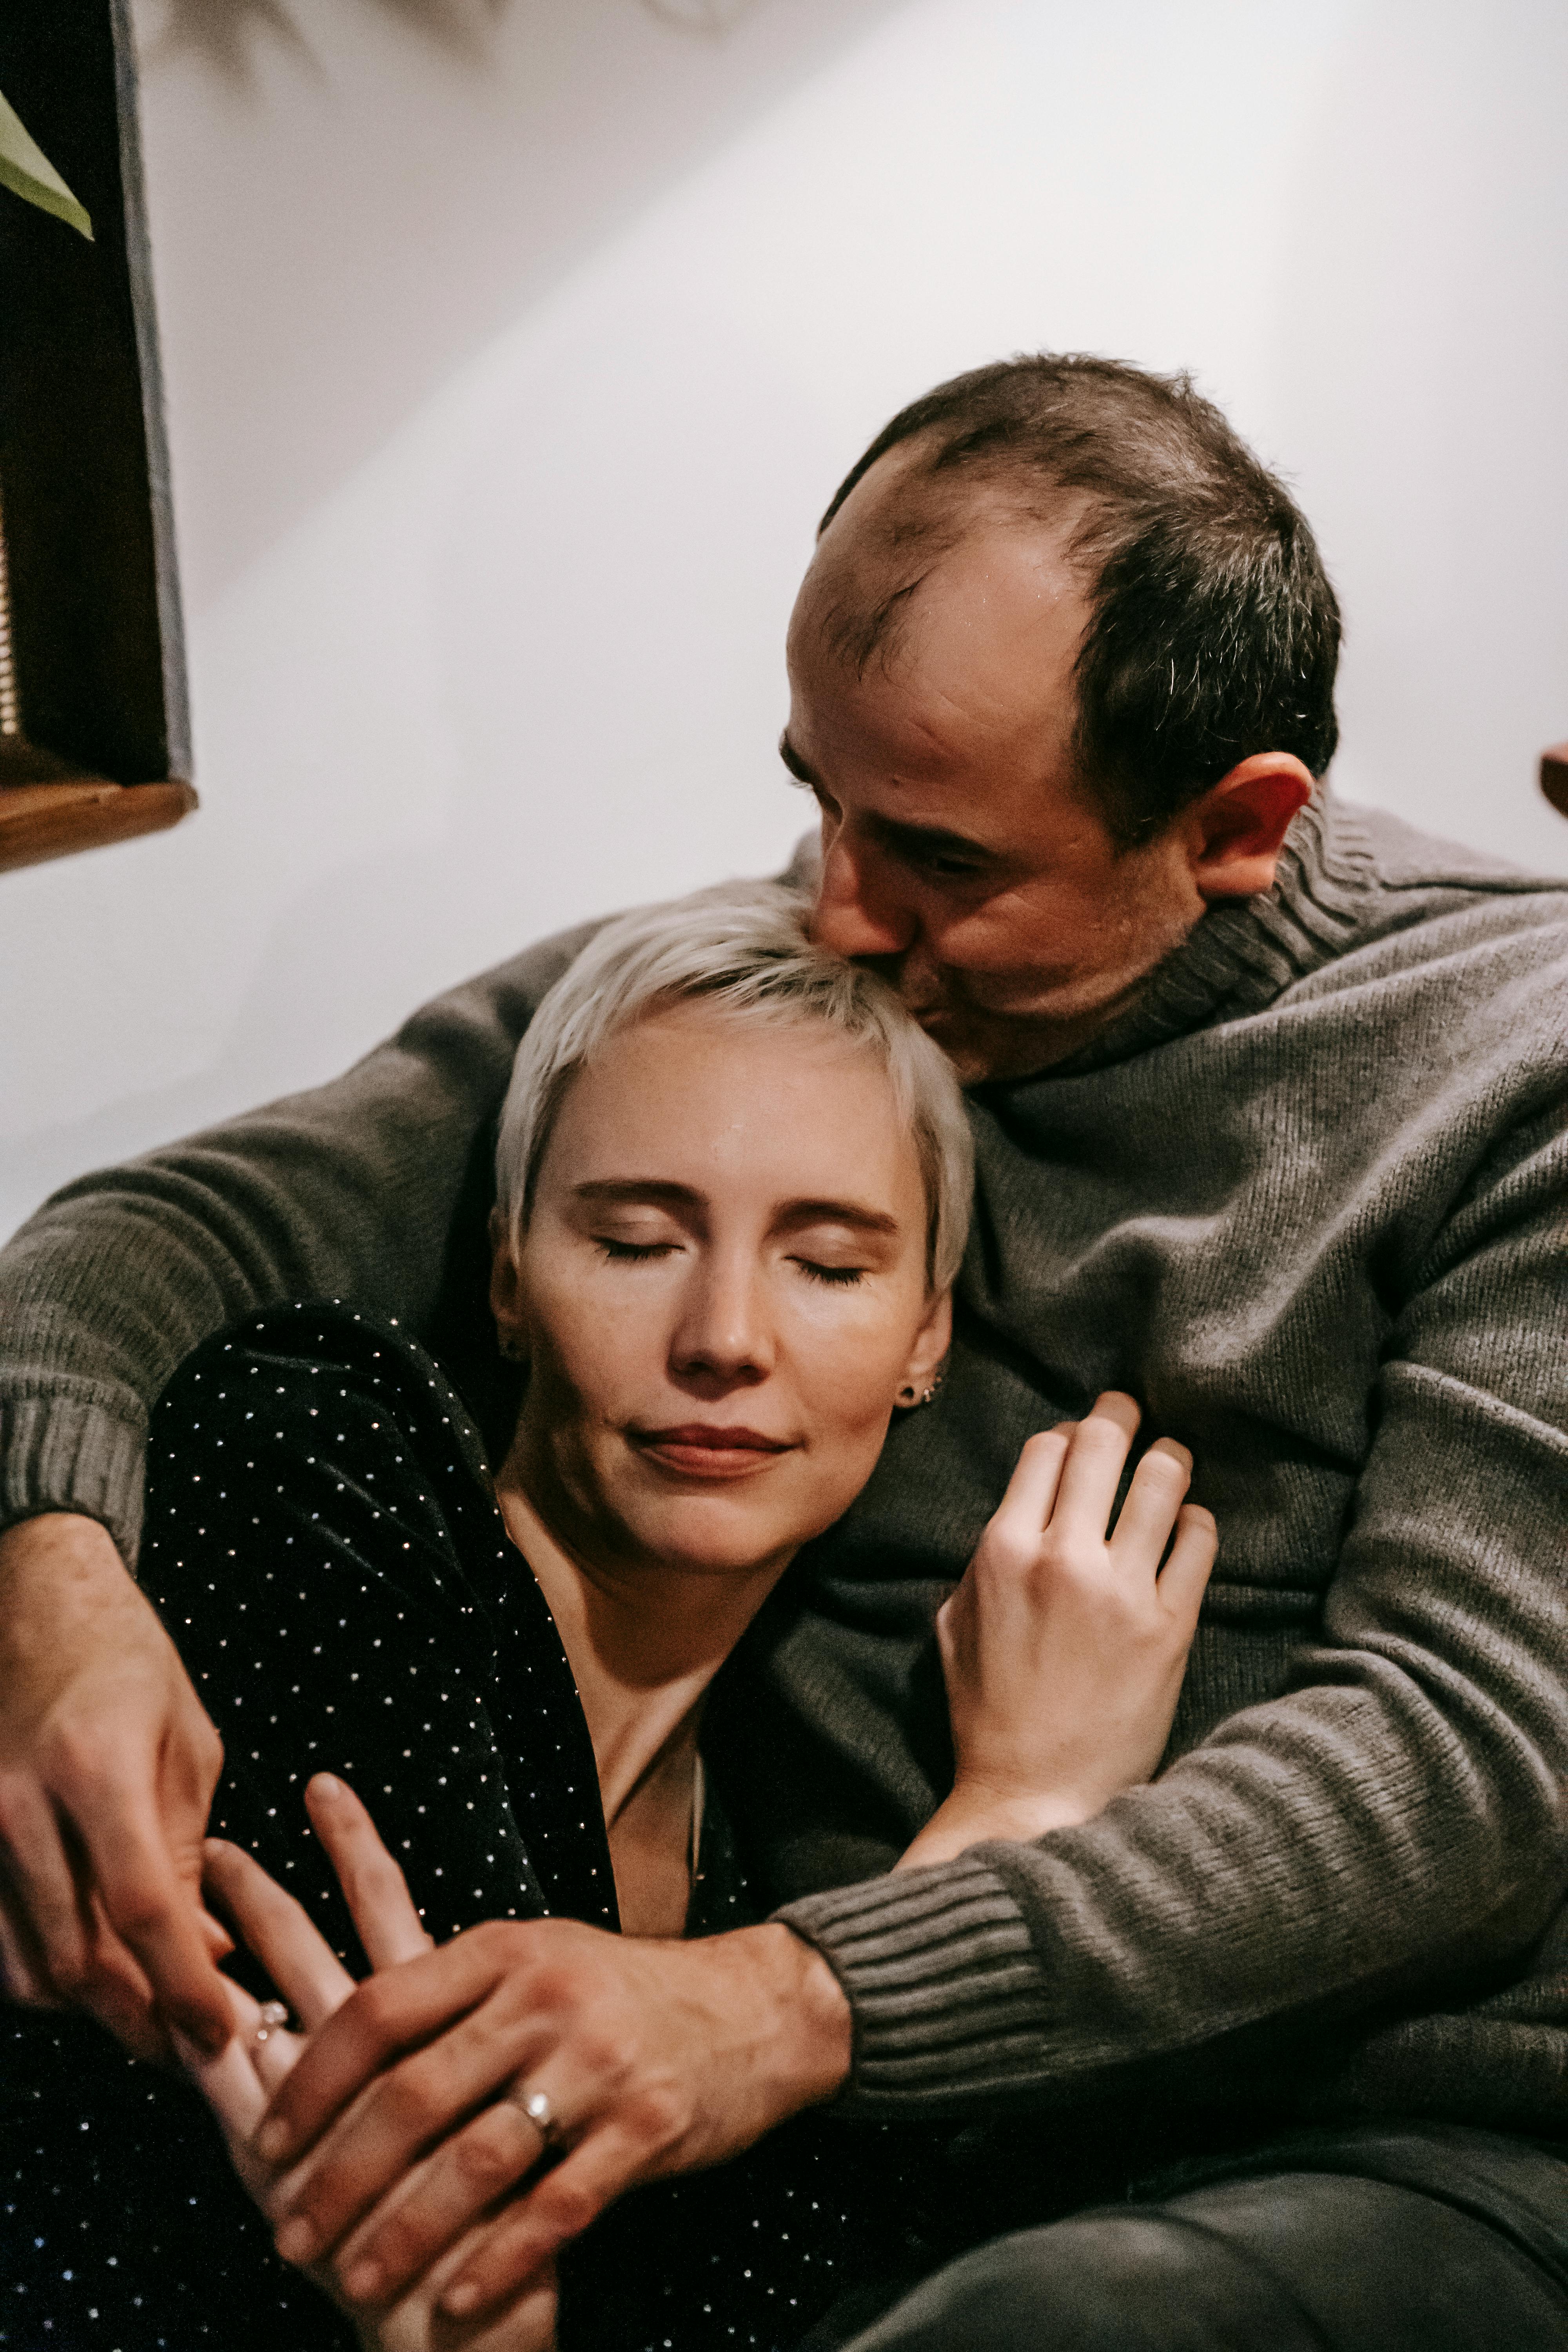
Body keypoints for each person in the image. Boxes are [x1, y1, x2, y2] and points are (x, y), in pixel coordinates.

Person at [2, 352, 1566, 2348]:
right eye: (812, 798)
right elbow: (170, 1235)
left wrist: (779, 2002)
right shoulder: (786, 997)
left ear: (1238, 825)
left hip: (1351, 2155)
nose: (834, 906)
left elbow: (1462, 1765)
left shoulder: (1519, 1066)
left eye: (938, 857)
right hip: (816, 2162)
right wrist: (44, 1564)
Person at [4, 884, 1214, 2348]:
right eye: (637, 1242)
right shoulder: (321, 1468)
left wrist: (1015, 1805)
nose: (723, 1342)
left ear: (927, 1336)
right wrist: (1013, 1814)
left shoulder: (748, 1884)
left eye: (829, 1266)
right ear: (511, 1272)